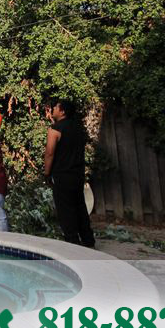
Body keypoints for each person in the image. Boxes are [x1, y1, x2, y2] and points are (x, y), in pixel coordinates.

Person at [43, 99, 95, 247]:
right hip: (78, 174)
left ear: (63, 111)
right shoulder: (79, 128)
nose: (53, 109)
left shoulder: (55, 129)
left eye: (56, 107)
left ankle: (72, 242)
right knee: (80, 207)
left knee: (65, 209)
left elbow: (49, 153)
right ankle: (88, 240)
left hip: (62, 175)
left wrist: (47, 173)